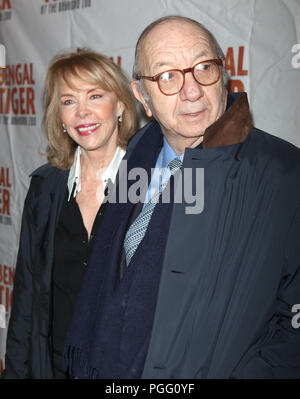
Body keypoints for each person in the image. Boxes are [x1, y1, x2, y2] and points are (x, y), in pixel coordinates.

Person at [63, 16, 300, 379]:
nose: (191, 91)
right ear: (143, 96)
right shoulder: (138, 154)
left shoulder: (284, 173)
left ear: (223, 75)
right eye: (168, 76)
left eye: (203, 68)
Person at [2, 49, 138, 379]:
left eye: (95, 95)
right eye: (68, 101)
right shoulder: (45, 187)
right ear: (58, 116)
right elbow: (26, 302)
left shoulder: (152, 184)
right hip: (54, 366)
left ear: (120, 104)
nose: (82, 113)